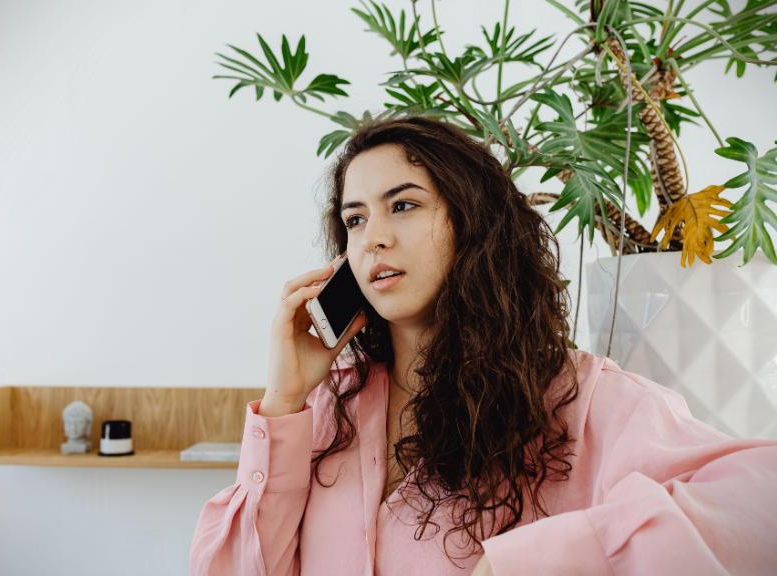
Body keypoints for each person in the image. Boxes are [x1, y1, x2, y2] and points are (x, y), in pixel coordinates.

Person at [189, 115, 777, 576]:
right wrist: (284, 400)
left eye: (404, 205)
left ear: (471, 221)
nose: (374, 239)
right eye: (355, 219)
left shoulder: (579, 397)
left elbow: (760, 504)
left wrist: (541, 559)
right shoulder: (321, 409)